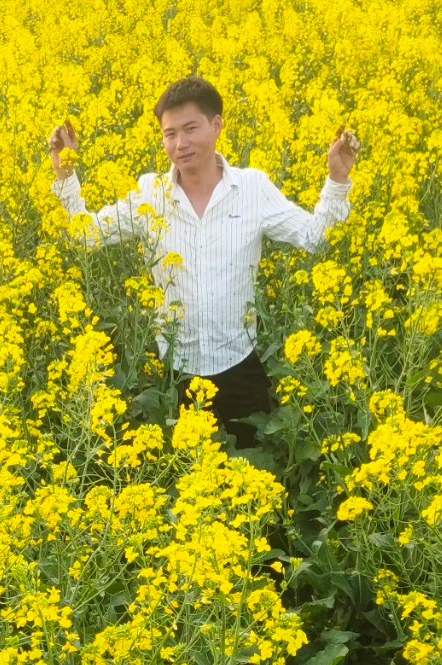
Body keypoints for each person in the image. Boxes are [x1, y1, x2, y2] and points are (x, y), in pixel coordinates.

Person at [48, 76, 359, 448]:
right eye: (169, 134)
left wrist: (337, 180)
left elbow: (313, 238)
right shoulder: (152, 194)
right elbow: (87, 234)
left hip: (240, 367)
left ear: (216, 125)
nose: (180, 144)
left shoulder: (252, 189)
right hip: (176, 375)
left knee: (253, 474)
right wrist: (64, 170)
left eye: (190, 129)